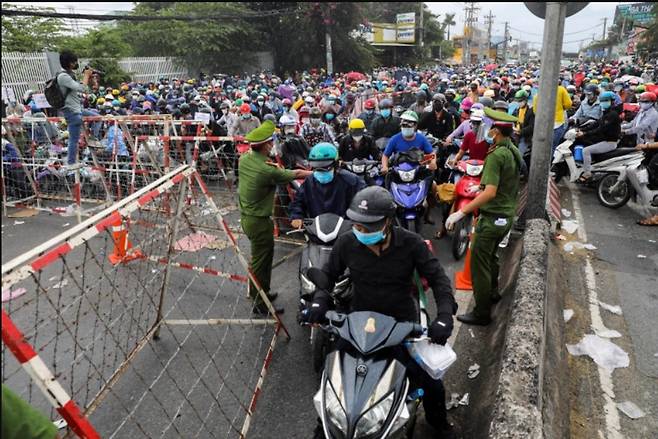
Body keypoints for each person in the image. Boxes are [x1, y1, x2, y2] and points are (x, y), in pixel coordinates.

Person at [303, 186, 457, 437]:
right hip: (359, 325)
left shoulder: (411, 244)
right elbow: (328, 276)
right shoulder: (347, 242)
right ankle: (326, 427)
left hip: (402, 325)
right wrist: (319, 302)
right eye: (357, 224)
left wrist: (444, 316)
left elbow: (439, 281)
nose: (360, 230)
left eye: (368, 226)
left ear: (387, 222)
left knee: (430, 384)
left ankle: (437, 422)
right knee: (333, 382)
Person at [446, 112, 522, 326]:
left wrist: (461, 212)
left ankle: (481, 313)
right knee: (491, 258)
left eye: (489, 128)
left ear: (496, 131)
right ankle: (493, 292)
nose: (485, 132)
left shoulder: (497, 155)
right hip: (506, 214)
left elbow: (489, 192)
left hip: (493, 216)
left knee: (479, 266)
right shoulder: (511, 150)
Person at [238, 120, 313, 314]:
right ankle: (260, 304)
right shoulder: (266, 170)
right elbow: (294, 173)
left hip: (248, 218)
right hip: (259, 221)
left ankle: (262, 292)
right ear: (265, 145)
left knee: (261, 259)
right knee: (261, 262)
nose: (273, 145)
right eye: (270, 142)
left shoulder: (245, 159)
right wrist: (317, 172)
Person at [289, 143, 365, 228]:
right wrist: (296, 216)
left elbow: (364, 201)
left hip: (344, 230)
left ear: (336, 165)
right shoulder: (310, 181)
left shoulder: (351, 181)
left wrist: (359, 221)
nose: (321, 172)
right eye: (316, 169)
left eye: (325, 168)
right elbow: (298, 201)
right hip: (317, 229)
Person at [57, 50, 95, 167]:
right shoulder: (63, 77)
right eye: (74, 62)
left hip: (77, 109)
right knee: (74, 139)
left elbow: (85, 90)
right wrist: (86, 75)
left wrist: (90, 79)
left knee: (97, 117)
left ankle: (93, 138)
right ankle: (71, 163)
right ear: (70, 63)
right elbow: (82, 88)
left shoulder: (69, 75)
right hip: (71, 111)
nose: (76, 64)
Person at [577, 91, 621, 183]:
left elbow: (600, 129)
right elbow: (596, 123)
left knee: (586, 151)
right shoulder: (606, 113)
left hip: (609, 142)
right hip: (604, 140)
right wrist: (582, 129)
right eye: (601, 101)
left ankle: (587, 173)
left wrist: (585, 133)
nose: (603, 103)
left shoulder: (612, 115)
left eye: (605, 101)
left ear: (612, 101)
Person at [381, 111, 437, 175]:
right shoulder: (394, 139)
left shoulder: (422, 139)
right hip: (398, 173)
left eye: (409, 126)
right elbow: (385, 155)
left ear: (415, 126)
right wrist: (385, 166)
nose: (406, 128)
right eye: (404, 126)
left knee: (433, 184)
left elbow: (432, 154)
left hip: (418, 172)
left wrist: (433, 163)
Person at [532, 81, 572, 153]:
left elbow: (535, 111)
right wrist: (561, 108)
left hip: (543, 125)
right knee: (554, 147)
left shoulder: (537, 95)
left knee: (544, 147)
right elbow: (568, 104)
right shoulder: (561, 89)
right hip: (558, 122)